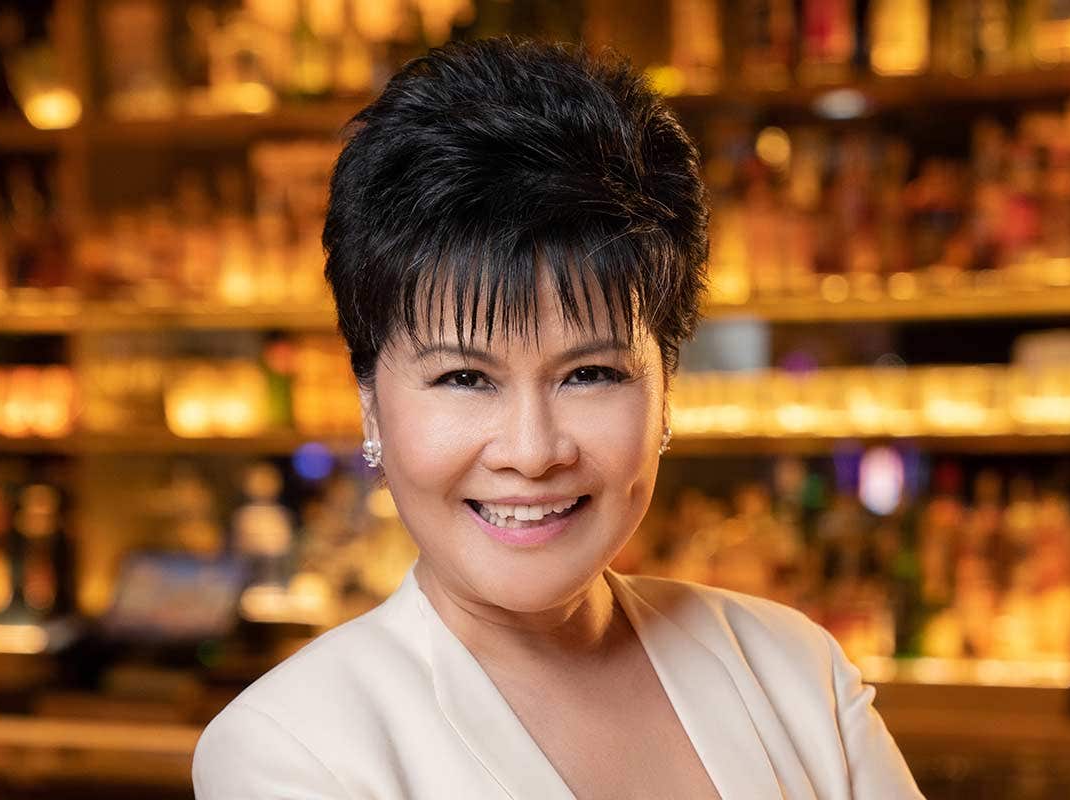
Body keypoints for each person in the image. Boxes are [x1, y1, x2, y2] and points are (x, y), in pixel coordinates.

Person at [192, 37, 923, 799]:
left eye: (590, 374)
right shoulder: (292, 750)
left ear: (665, 390)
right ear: (370, 402)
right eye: (465, 377)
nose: (532, 452)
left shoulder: (793, 674)